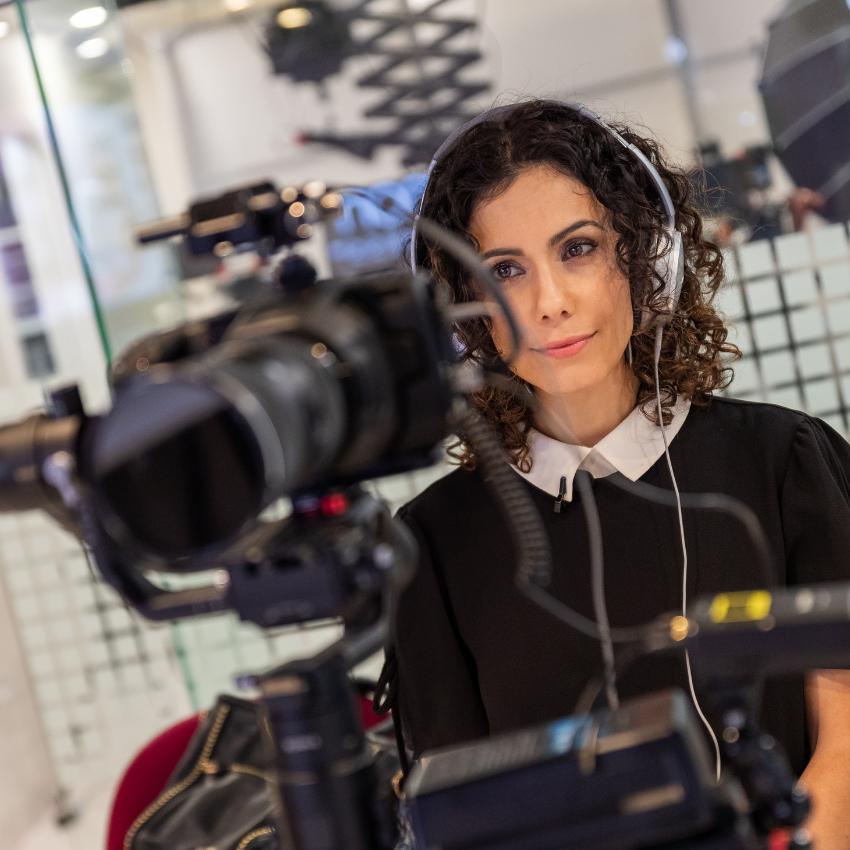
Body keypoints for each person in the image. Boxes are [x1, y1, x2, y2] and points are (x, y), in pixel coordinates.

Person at [380, 99, 850, 847]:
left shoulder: (784, 460)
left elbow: (846, 757)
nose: (550, 303)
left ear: (645, 255)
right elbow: (466, 822)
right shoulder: (433, 547)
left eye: (578, 249)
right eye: (504, 269)